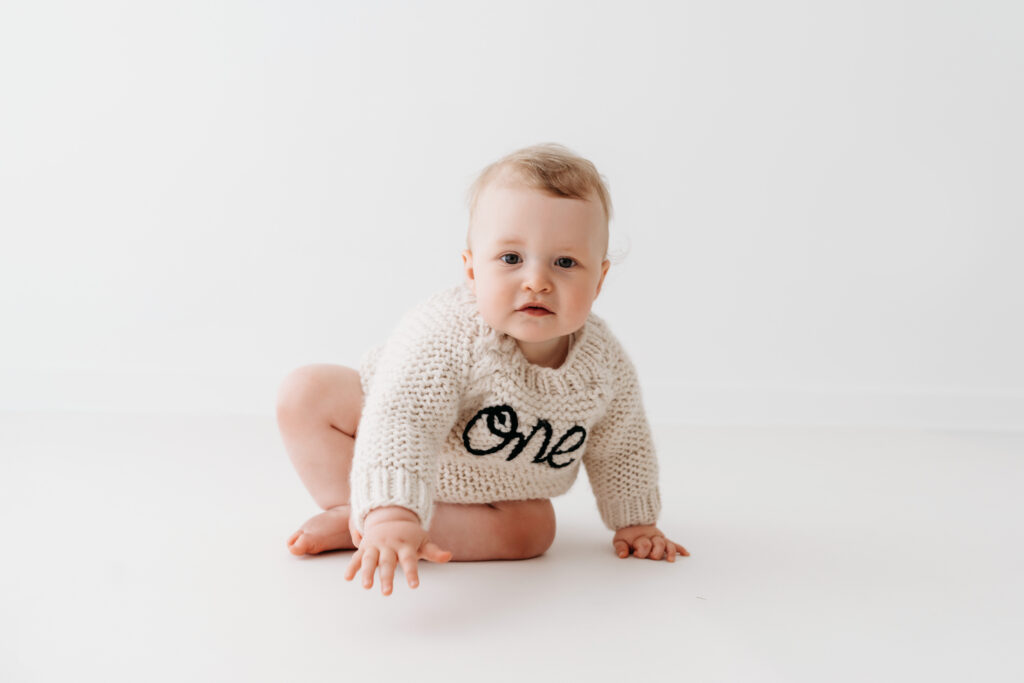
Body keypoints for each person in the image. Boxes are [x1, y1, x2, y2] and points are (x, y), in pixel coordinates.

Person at [276, 143, 689, 597]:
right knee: (307, 392)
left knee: (532, 533)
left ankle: (364, 524)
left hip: (495, 494)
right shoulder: (447, 334)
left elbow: (623, 445)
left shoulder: (603, 364)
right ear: (471, 271)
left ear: (600, 280)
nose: (537, 281)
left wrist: (636, 521)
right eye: (511, 259)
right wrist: (393, 509)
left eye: (565, 263)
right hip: (392, 446)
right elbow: (403, 420)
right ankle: (371, 514)